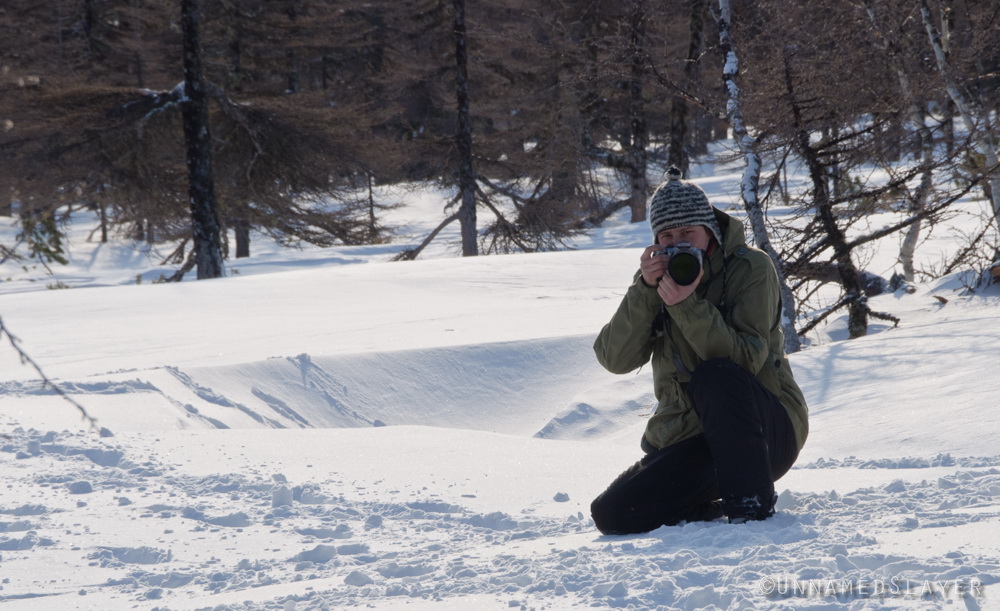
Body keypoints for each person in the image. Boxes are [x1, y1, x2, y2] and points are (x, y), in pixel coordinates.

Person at [590, 167, 809, 533]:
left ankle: (751, 507)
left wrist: (686, 306)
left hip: (766, 431)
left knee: (715, 374)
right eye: (667, 235)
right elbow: (615, 359)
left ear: (709, 230)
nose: (678, 243)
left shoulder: (750, 267)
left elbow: (746, 361)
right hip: (697, 437)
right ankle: (709, 509)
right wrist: (645, 291)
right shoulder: (656, 283)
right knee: (612, 513)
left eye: (687, 232)